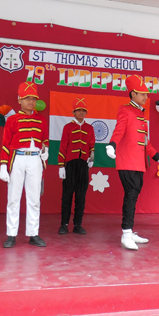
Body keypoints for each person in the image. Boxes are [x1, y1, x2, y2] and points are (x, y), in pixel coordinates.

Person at [106, 74, 159, 250]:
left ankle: (130, 230)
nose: (145, 97)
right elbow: (119, 131)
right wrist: (112, 145)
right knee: (131, 195)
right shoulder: (125, 110)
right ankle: (126, 233)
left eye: (146, 94)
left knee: (133, 196)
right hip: (127, 161)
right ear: (133, 94)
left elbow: (145, 143)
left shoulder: (141, 115)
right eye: (142, 94)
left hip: (139, 163)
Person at [0, 81, 49, 248]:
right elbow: (5, 144)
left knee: (34, 199)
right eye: (27, 98)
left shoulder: (41, 120)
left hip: (35, 159)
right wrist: (3, 165)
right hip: (18, 159)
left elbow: (45, 139)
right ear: (19, 99)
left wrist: (46, 151)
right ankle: (11, 234)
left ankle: (33, 233)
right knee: (13, 198)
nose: (31, 102)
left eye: (33, 99)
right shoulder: (12, 120)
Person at [57, 97, 95, 235]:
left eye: (83, 111)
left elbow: (91, 145)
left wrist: (91, 157)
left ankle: (78, 224)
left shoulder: (89, 128)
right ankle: (64, 224)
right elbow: (63, 146)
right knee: (67, 195)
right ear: (74, 112)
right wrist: (61, 165)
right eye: (79, 110)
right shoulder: (67, 127)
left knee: (81, 196)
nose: (81, 113)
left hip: (83, 165)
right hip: (70, 165)